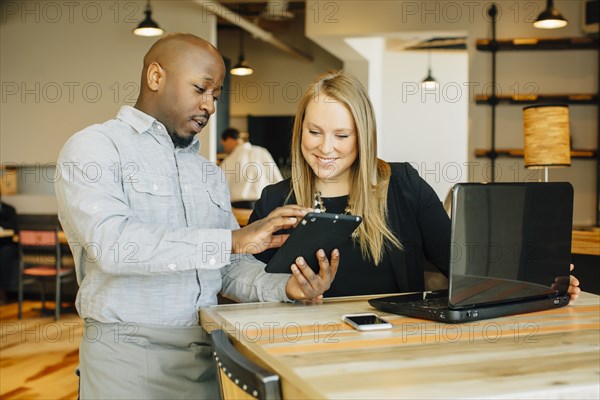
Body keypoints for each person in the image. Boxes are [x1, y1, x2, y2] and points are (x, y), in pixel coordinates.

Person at [55, 33, 338, 399]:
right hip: (127, 356)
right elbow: (113, 245)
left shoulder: (207, 172)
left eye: (216, 95)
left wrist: (286, 287)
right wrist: (232, 240)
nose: (210, 106)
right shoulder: (95, 148)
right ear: (156, 77)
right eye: (201, 89)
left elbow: (225, 267)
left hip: (208, 349)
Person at [249, 70, 581, 302]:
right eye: (314, 132)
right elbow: (246, 288)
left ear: (363, 137)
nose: (325, 148)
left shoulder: (403, 184)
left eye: (342, 135)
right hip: (302, 347)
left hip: (394, 348)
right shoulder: (275, 200)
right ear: (300, 131)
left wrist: (535, 285)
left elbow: (459, 264)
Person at [220, 127, 283, 209]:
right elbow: (277, 179)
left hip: (239, 208)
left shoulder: (228, 161)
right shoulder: (262, 151)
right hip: (264, 205)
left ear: (229, 140)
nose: (225, 148)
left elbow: (221, 189)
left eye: (224, 145)